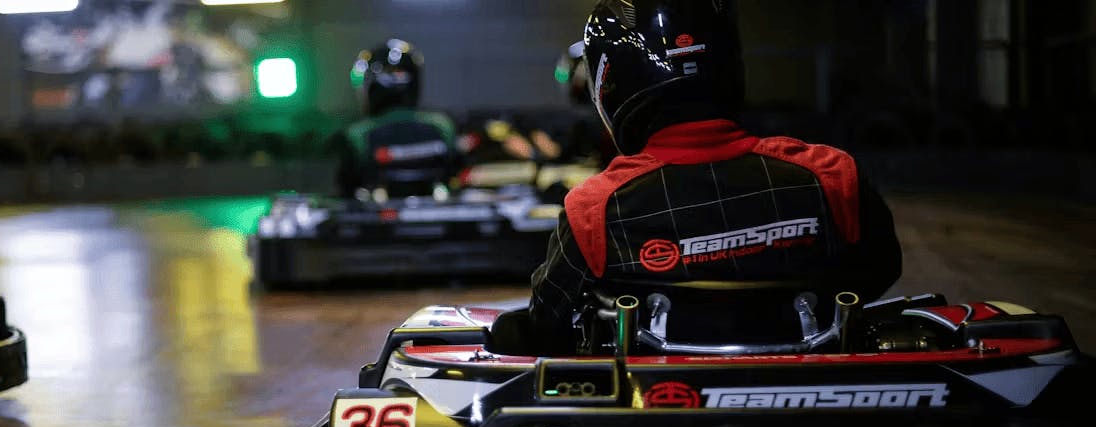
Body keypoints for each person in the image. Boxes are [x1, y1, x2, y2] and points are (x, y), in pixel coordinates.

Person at [492, 0, 902, 356]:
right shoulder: (830, 176)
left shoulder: (596, 209)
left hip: (652, 413)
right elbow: (880, 271)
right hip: (817, 400)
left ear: (609, 82)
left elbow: (548, 324)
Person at [334, 39, 462, 201]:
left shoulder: (357, 135)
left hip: (376, 222)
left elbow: (345, 190)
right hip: (439, 218)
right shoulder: (442, 126)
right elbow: (457, 176)